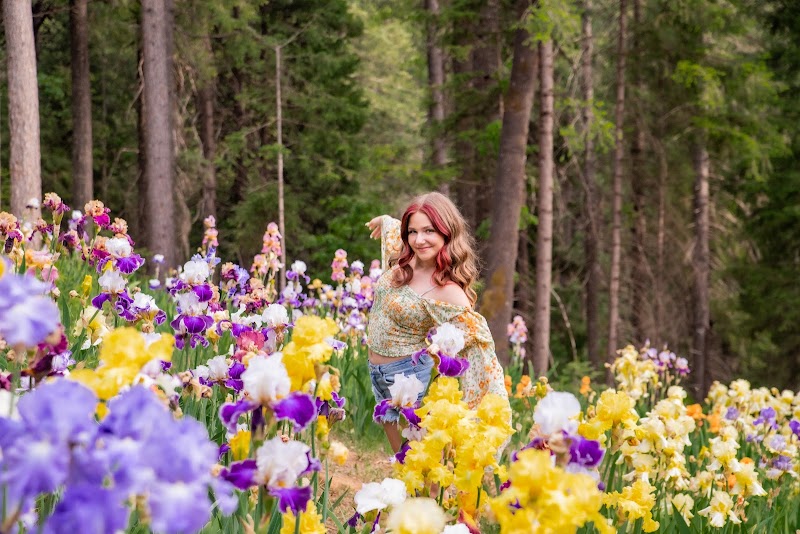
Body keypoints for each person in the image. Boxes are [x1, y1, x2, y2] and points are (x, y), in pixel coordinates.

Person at [365, 192, 509, 452]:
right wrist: (387, 221)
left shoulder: (447, 289)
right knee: (403, 463)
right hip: (378, 373)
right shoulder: (405, 259)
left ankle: (437, 492)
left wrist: (492, 398)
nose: (419, 240)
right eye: (412, 232)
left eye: (429, 231)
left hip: (407, 379)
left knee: (420, 463)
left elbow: (477, 340)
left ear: (446, 232)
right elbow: (397, 237)